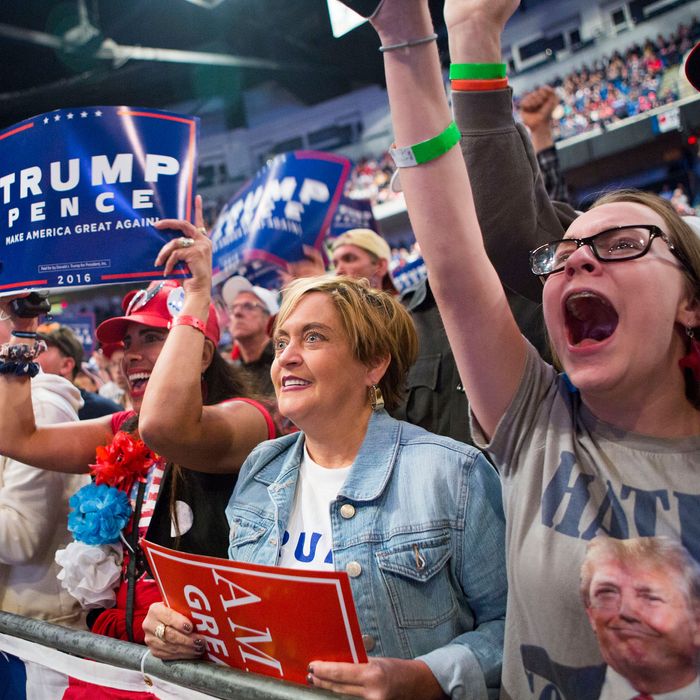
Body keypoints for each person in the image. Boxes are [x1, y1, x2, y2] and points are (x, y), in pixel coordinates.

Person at [367, 1, 700, 699]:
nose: (577, 263)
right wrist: (406, 33)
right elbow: (459, 266)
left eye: (620, 246)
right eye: (564, 253)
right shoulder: (537, 425)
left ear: (692, 302)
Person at [143, 274, 507, 700]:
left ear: (373, 364)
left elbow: (513, 626)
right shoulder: (262, 469)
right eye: (281, 343)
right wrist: (181, 629)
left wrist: (426, 676)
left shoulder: (451, 472)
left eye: (312, 338)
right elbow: (242, 622)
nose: (286, 359)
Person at [0, 196, 274, 645]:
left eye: (151, 337)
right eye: (127, 341)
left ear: (202, 353)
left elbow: (168, 428)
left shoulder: (248, 417)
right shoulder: (124, 426)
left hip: (218, 654)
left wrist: (201, 293)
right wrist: (24, 329)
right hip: (134, 648)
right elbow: (15, 437)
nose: (131, 354)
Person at [36, 325, 122, 420]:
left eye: (40, 349)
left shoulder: (106, 412)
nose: (31, 354)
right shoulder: (24, 402)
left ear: (66, 365)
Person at [221, 275, 279, 397]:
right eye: (233, 308)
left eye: (248, 306)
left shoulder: (284, 363)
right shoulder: (230, 374)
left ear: (270, 318)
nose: (237, 313)